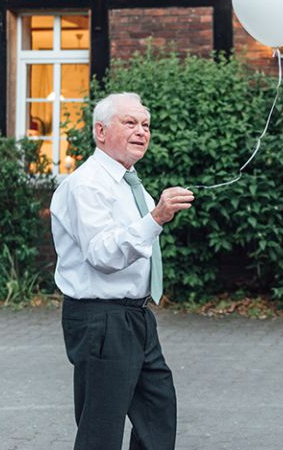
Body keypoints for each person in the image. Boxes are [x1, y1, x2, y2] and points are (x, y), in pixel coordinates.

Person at [50, 92, 194, 450]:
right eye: (129, 123)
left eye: (145, 125)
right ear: (101, 131)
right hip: (101, 318)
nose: (141, 132)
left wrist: (153, 215)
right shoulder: (86, 184)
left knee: (158, 412)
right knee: (101, 429)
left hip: (135, 317)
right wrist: (156, 217)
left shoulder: (132, 183)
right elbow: (101, 254)